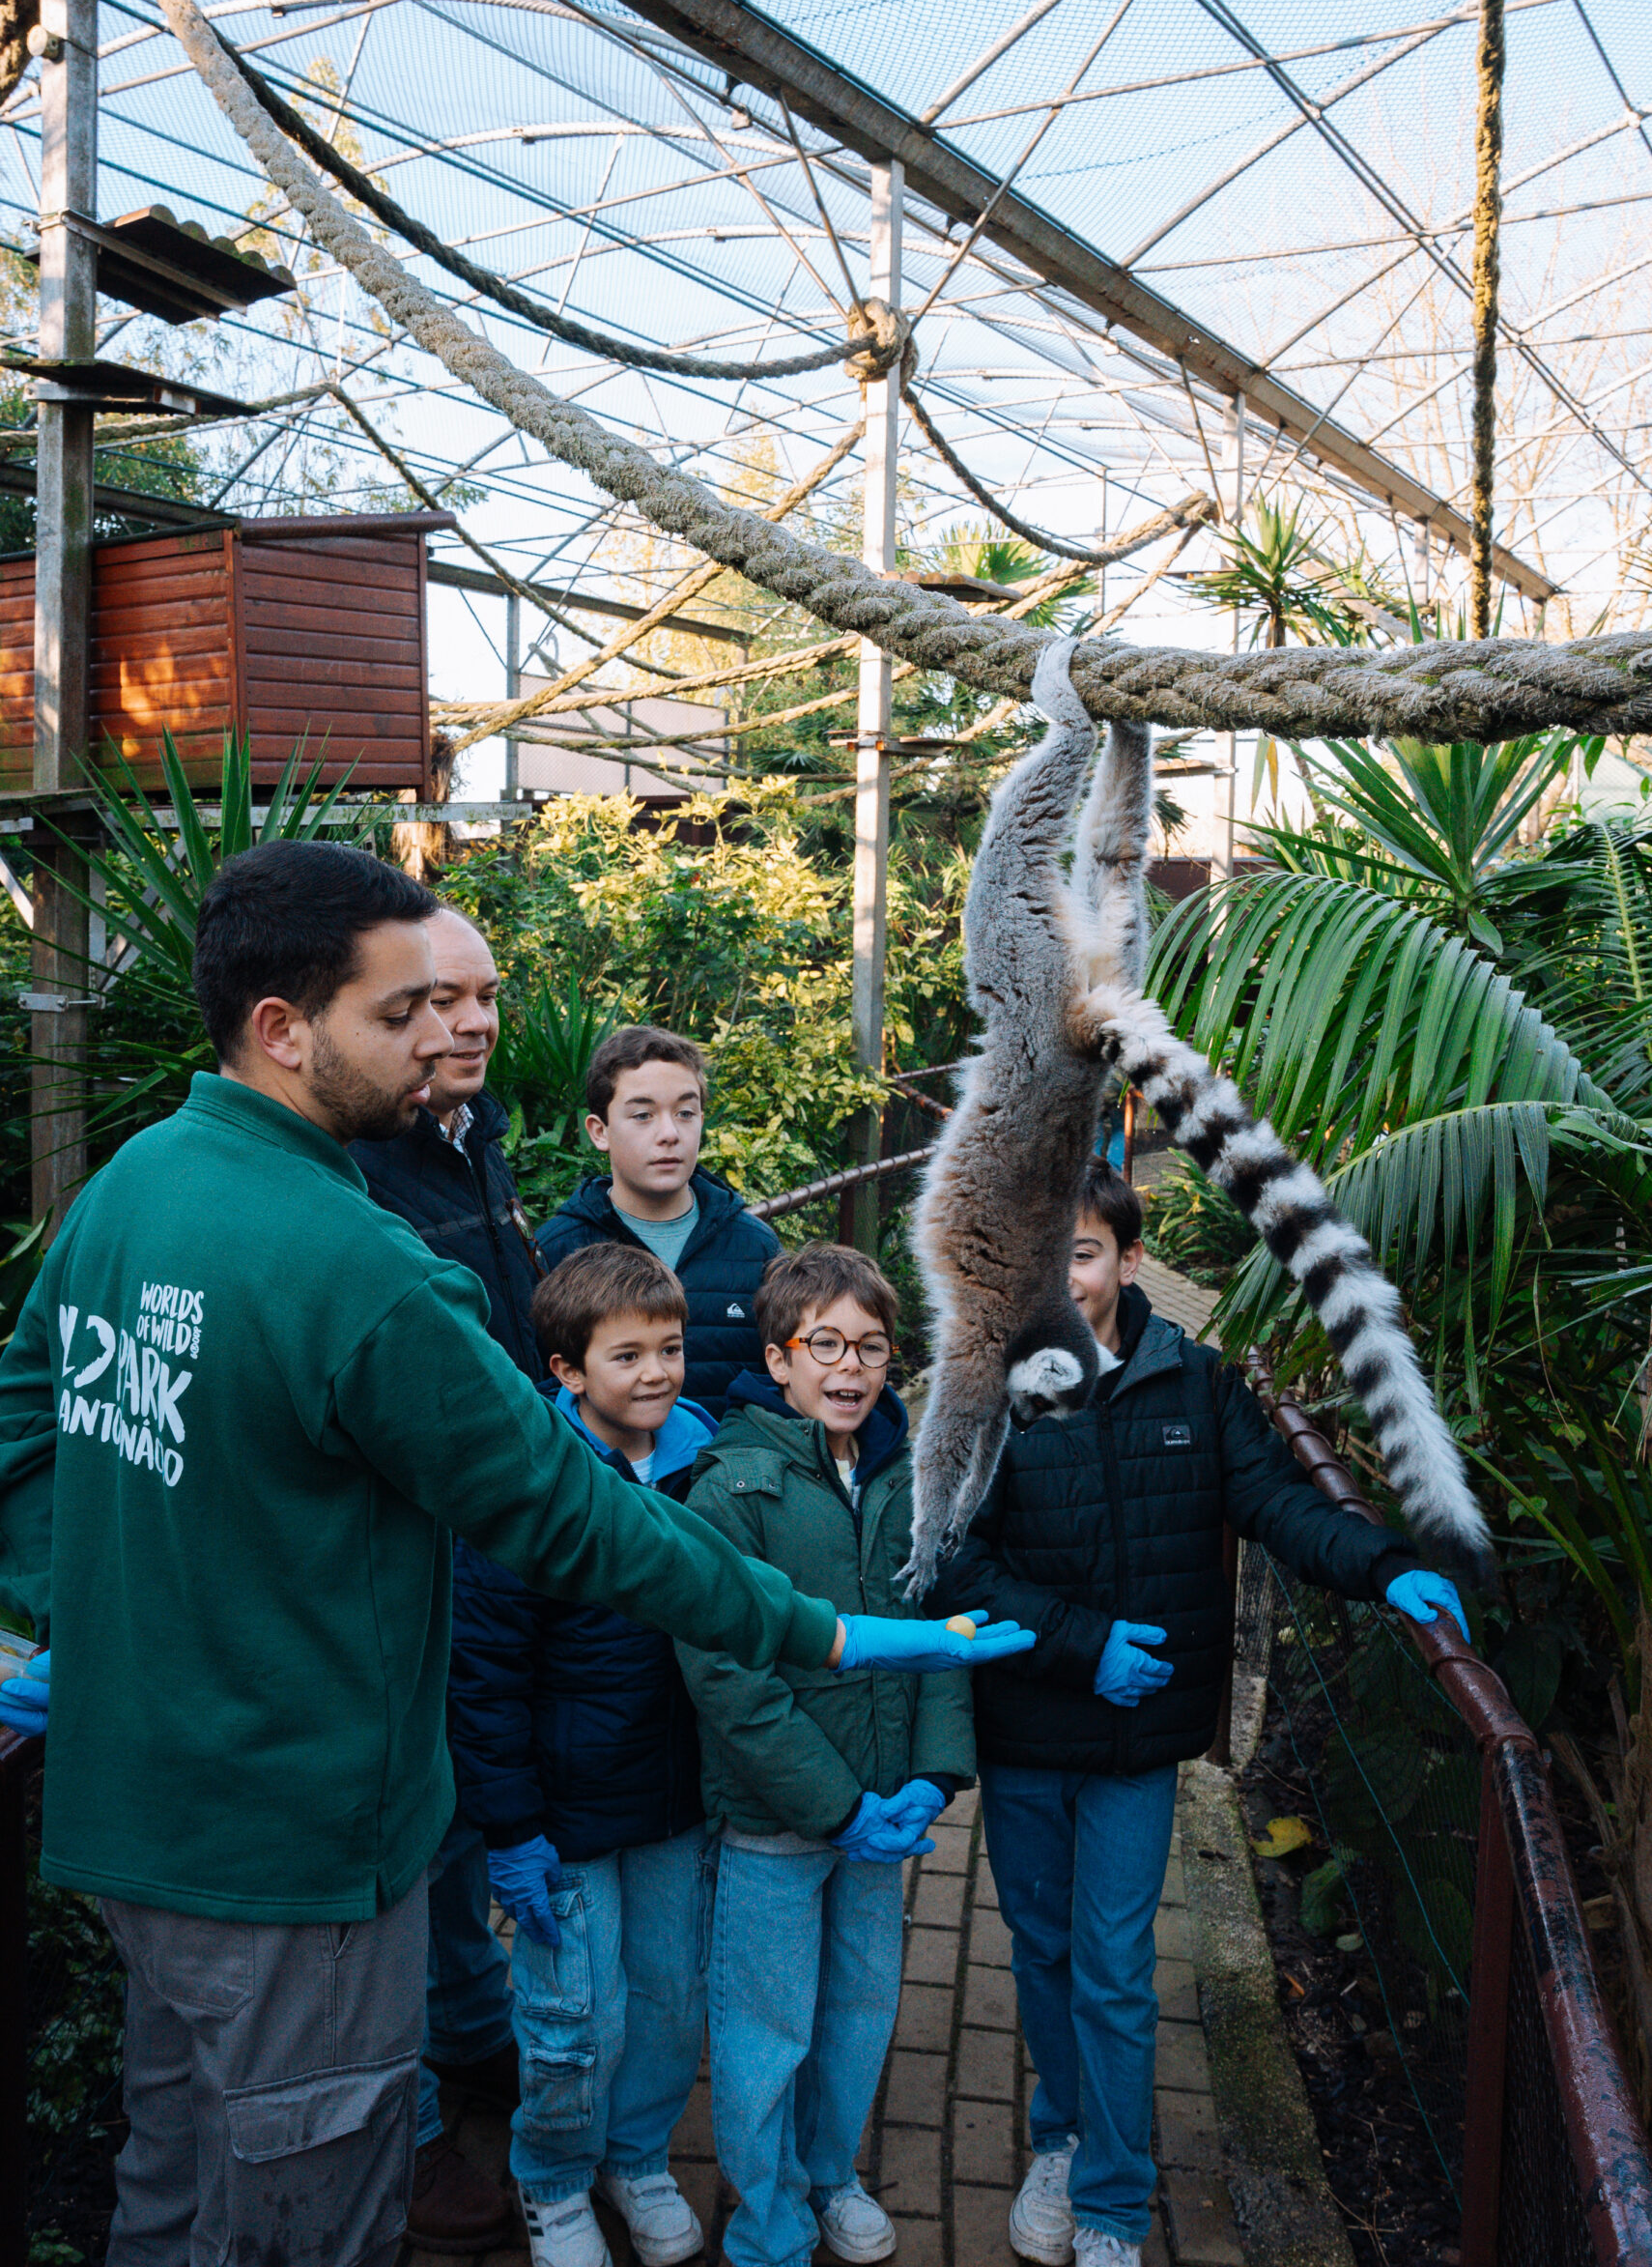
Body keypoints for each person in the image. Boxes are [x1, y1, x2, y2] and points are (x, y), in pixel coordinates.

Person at [0, 842, 1032, 2267]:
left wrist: (82, 1614)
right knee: (299, 2217)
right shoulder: (357, 1266)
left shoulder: (136, 1182)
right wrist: (822, 1632)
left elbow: (26, 1409)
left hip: (140, 1824)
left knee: (173, 2183)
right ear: (282, 1029)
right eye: (398, 1010)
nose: (439, 1038)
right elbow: (574, 1512)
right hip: (296, 1854)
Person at [928, 1159, 1470, 2267]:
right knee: (1041, 1949)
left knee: (1116, 1967)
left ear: (1131, 1260)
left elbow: (1272, 1497)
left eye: (1077, 1252)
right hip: (1031, 1724)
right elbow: (948, 1564)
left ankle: (1116, 2203)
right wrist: (1084, 1645)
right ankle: (1061, 2136)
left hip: (1137, 1741)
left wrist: (1380, 1565)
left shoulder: (1197, 1381)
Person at [678, 1242, 1028, 2267]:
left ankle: (833, 2174)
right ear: (778, 1359)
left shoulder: (908, 1475)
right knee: (764, 2028)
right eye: (822, 1343)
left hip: (883, 1814)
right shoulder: (730, 1491)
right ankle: (768, 2217)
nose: (849, 1366)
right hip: (775, 1821)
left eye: (870, 1346)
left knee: (863, 2006)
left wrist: (931, 1772)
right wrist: (834, 1803)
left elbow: (940, 1624)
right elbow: (730, 1677)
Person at [447, 1244, 717, 2267]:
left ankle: (634, 2155)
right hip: (562, 1814)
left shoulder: (706, 1458)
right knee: (571, 2012)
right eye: (628, 1355)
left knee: (665, 1997)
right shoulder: (528, 1491)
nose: (656, 1373)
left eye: (672, 1348)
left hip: (672, 1798)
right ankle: (553, 2175)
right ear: (565, 1370)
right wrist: (509, 1826)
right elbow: (484, 1675)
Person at [350, 904, 541, 2253]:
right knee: (409, 1827)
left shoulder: (475, 1145)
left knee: (466, 1807)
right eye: (438, 1000)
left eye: (483, 995)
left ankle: (477, 2043)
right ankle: (405, 2132)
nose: (467, 1023)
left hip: (495, 1544)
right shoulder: (357, 1165)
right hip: (404, 1562)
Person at [536, 1025, 778, 1420]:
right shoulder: (556, 1250)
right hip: (609, 1478)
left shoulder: (755, 1247)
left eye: (685, 1113)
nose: (669, 1134)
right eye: (643, 1115)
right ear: (600, 1131)